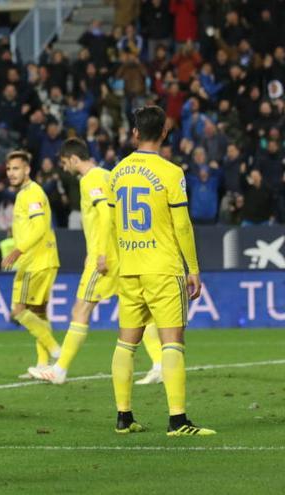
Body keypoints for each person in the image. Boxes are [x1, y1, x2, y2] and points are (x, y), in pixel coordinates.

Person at [108, 105, 214, 436]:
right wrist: (192, 269)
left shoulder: (117, 172)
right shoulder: (171, 173)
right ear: (165, 133)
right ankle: (177, 420)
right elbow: (182, 225)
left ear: (135, 133)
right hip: (162, 267)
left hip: (129, 268)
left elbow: (112, 225)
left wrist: (118, 263)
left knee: (126, 343)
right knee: (172, 342)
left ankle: (123, 416)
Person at [31, 138, 163, 384]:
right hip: (122, 255)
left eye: (64, 162)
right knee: (141, 312)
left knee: (81, 309)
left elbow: (104, 214)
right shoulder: (106, 175)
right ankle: (159, 364)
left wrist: (100, 253)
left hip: (105, 259)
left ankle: (59, 370)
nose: (64, 167)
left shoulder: (91, 179)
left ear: (73, 159)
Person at [1, 150, 62, 378]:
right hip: (44, 260)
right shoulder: (27, 193)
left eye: (16, 168)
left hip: (34, 262)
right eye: (9, 169)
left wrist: (18, 250)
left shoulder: (32, 193)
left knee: (18, 310)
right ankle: (44, 366)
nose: (11, 173)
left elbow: (39, 227)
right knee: (40, 313)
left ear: (27, 169)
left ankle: (56, 350)